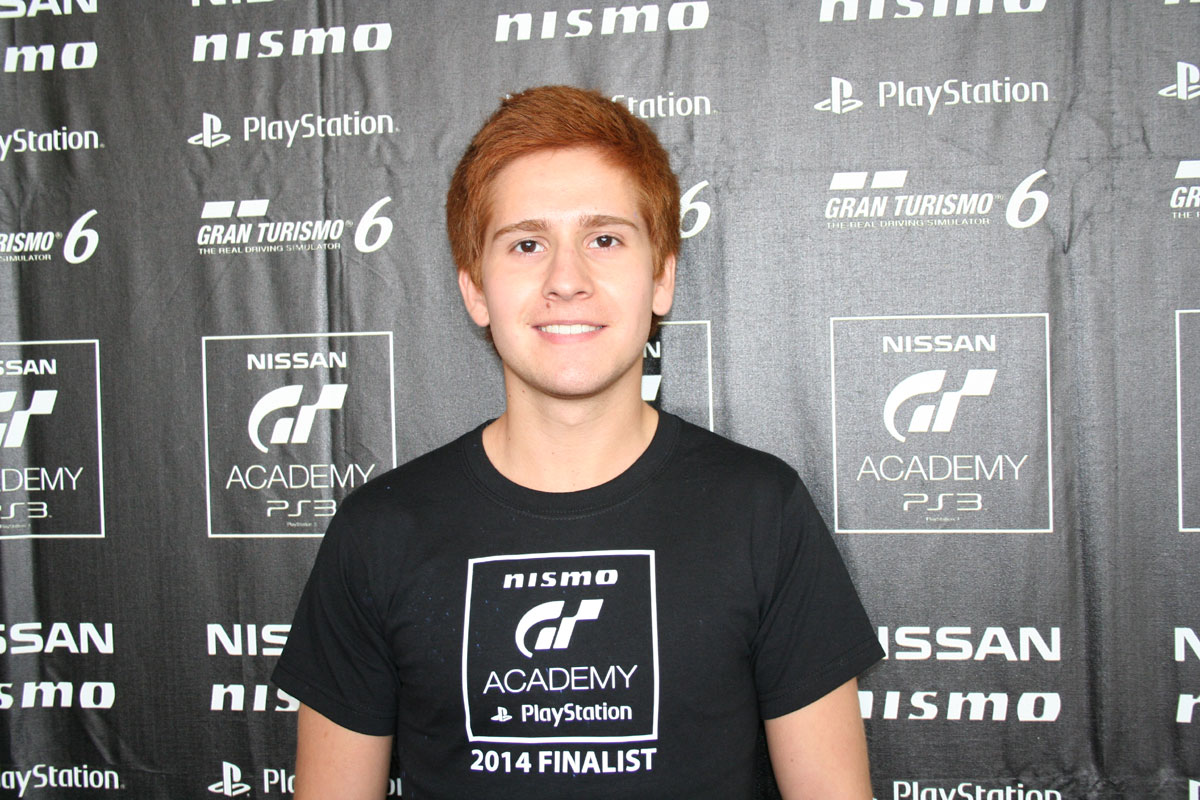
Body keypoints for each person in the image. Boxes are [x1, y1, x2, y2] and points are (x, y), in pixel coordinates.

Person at [272, 85, 883, 800]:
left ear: (662, 277)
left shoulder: (761, 510)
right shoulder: (379, 531)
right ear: (475, 290)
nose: (566, 280)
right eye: (527, 244)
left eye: (604, 240)